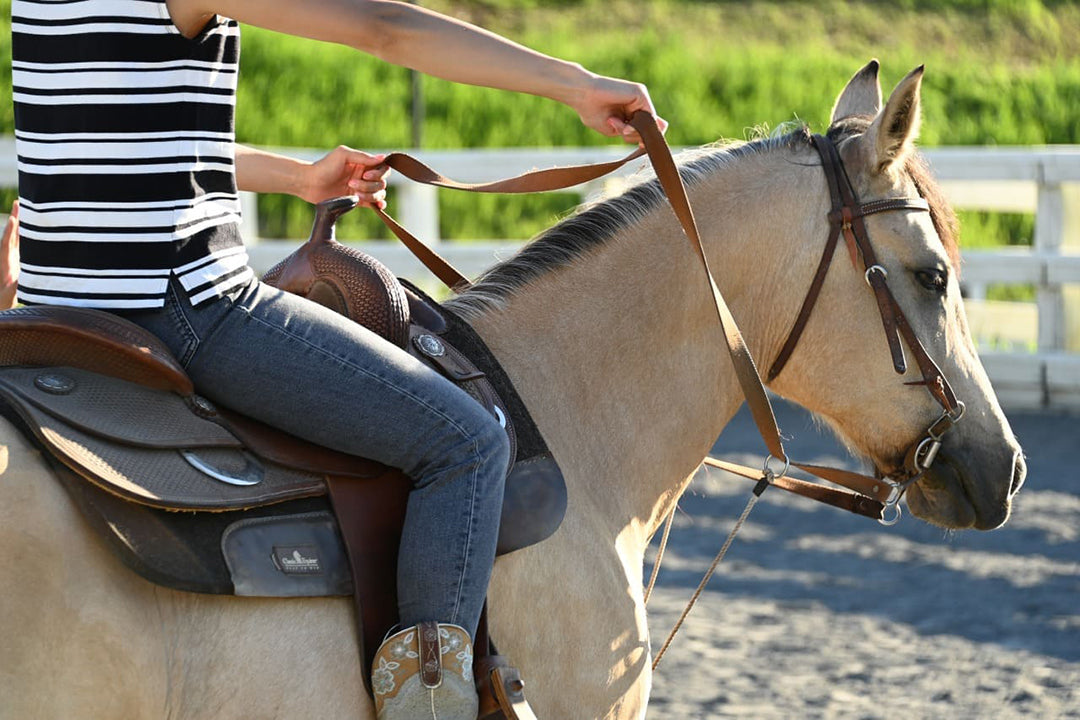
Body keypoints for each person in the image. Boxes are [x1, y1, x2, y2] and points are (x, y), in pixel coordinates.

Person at [11, 1, 664, 717]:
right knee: (469, 442)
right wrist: (572, 83)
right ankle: (431, 705)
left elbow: (118, 136)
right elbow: (383, 28)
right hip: (183, 307)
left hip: (49, 314)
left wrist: (295, 178)